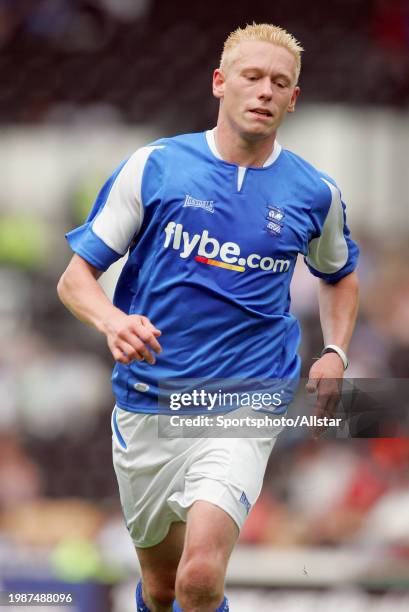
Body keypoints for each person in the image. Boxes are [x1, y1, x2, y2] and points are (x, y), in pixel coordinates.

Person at [57, 23, 359, 612]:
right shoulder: (156, 166)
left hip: (246, 399)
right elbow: (75, 281)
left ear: (293, 99)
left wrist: (336, 350)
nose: (265, 91)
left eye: (280, 83)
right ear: (220, 83)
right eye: (252, 77)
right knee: (165, 588)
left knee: (200, 578)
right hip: (150, 403)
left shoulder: (315, 193)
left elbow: (339, 275)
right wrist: (114, 322)